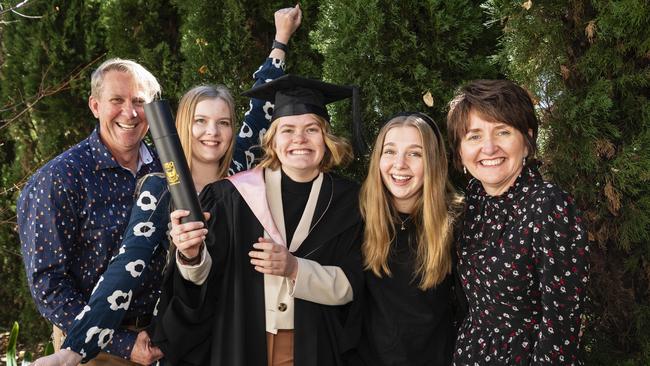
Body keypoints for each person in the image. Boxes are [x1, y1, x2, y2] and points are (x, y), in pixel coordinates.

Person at [29, 5, 303, 366]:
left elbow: (259, 109)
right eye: (201, 121)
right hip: (173, 341)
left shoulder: (237, 174)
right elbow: (126, 268)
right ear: (183, 125)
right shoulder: (163, 186)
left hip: (228, 335)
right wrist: (73, 350)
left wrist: (280, 40)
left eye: (222, 123)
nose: (212, 132)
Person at [153, 74, 364, 366]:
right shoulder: (232, 197)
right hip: (241, 345)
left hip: (316, 349)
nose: (299, 139)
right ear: (272, 141)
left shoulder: (351, 202)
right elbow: (204, 282)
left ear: (326, 138)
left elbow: (356, 284)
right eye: (287, 130)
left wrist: (294, 268)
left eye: (312, 129)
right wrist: (191, 256)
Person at [18, 58, 164, 365]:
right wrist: (124, 344)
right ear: (95, 106)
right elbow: (49, 285)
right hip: (93, 352)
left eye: (140, 101)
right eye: (117, 100)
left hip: (164, 341)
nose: (130, 112)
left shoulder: (167, 170)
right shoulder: (60, 179)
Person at [446, 79, 589, 365]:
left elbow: (562, 324)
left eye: (503, 132)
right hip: (472, 354)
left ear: (527, 141)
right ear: (460, 152)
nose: (489, 147)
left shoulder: (548, 205)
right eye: (473, 136)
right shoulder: (471, 202)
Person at [352, 112, 462, 366]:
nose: (399, 164)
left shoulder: (458, 222)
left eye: (415, 153)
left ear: (433, 161)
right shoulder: (356, 218)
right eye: (389, 151)